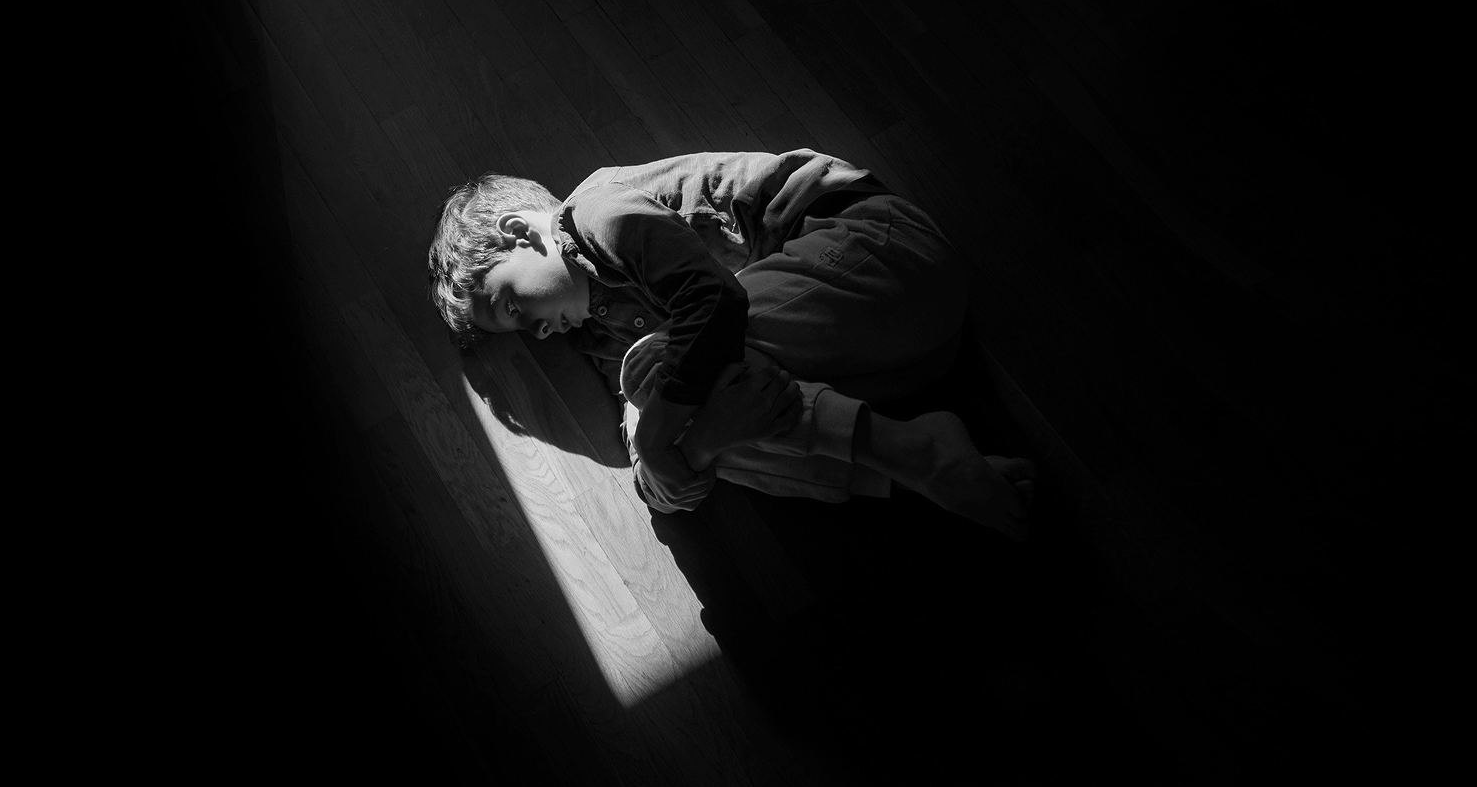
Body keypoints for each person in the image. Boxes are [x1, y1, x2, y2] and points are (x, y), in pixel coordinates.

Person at [426, 149, 1033, 540]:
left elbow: (715, 304)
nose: (539, 330)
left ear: (519, 233)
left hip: (880, 251)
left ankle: (916, 459)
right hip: (905, 361)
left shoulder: (595, 213)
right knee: (692, 412)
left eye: (512, 304)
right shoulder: (603, 335)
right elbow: (658, 485)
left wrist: (663, 431)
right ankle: (921, 458)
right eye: (523, 332)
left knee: (661, 383)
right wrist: (694, 444)